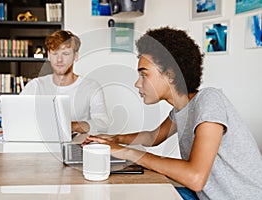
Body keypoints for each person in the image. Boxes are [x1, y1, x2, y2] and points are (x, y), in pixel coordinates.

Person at [83, 27, 262, 199]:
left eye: (144, 75)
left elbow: (195, 178)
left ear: (170, 75)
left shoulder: (209, 100)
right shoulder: (182, 109)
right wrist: (115, 140)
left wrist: (127, 152)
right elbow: (153, 137)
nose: (137, 83)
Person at [21, 30, 110, 135]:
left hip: (77, 146)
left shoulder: (91, 87)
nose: (59, 60)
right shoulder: (35, 85)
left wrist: (72, 126)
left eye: (66, 54)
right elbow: (18, 116)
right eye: (54, 53)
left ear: (75, 56)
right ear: (49, 55)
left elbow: (103, 125)